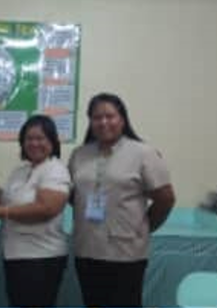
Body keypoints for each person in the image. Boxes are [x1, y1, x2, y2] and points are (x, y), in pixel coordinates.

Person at [69, 92, 176, 307]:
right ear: (90, 121)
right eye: (97, 117)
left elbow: (165, 199)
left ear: (122, 119)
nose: (103, 122)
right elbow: (74, 196)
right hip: (87, 249)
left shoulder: (143, 153)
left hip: (126, 253)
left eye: (110, 116)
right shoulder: (79, 154)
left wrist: (144, 227)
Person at [0, 115, 71, 307]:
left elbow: (47, 209)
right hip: (16, 254)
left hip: (42, 258)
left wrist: (3, 212)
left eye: (40, 138)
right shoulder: (20, 171)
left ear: (52, 141)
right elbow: (3, 200)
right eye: (28, 139)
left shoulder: (55, 170)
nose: (34, 143)